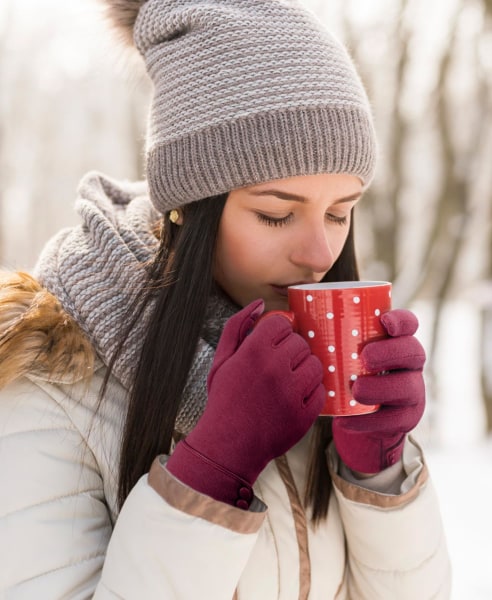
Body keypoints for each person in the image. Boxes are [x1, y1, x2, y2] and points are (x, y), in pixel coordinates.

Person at [0, 0, 451, 598]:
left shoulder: (313, 360)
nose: (319, 253)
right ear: (190, 205)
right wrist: (215, 467)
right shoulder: (51, 380)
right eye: (275, 214)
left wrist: (379, 474)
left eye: (341, 212)